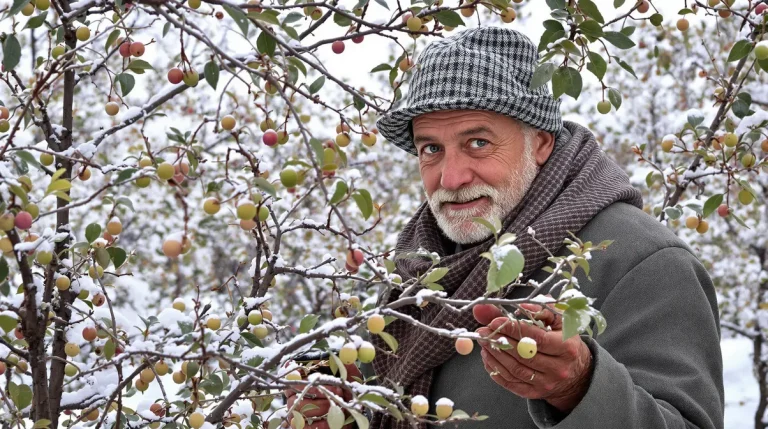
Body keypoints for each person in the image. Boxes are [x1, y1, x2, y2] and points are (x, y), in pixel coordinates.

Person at [286, 26, 724, 429]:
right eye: (431, 149)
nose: (452, 177)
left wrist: (580, 389)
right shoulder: (420, 259)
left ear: (542, 143)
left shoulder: (645, 263)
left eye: (478, 143)